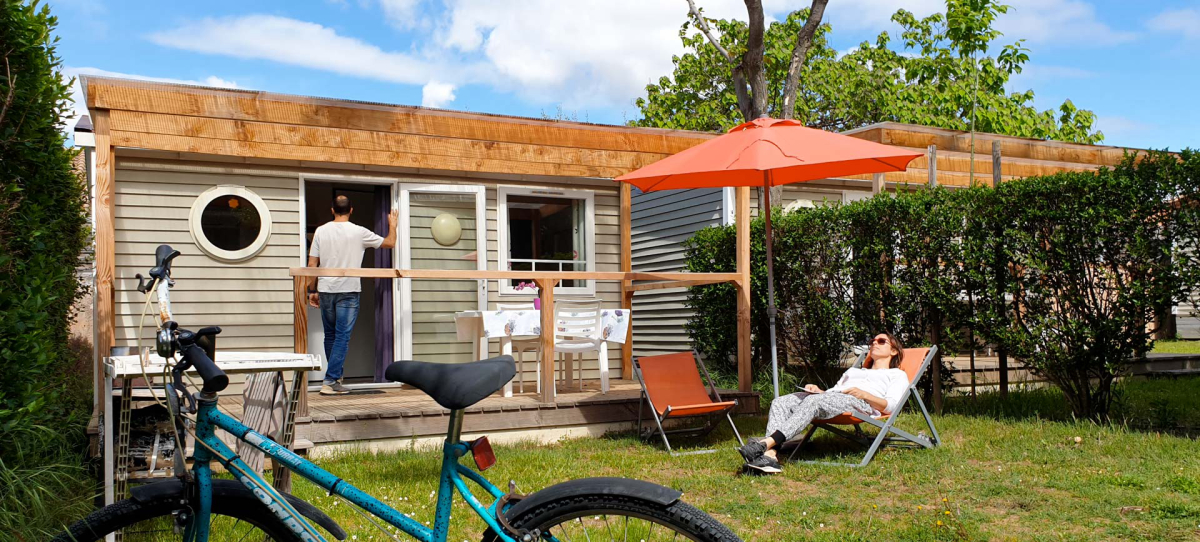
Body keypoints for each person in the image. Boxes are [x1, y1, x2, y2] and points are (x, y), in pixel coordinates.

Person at [737, 333, 909, 474]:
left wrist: (864, 394)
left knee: (813, 401)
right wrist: (819, 391)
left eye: (881, 341)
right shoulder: (853, 371)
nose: (874, 343)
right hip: (833, 399)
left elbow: (892, 406)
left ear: (894, 351)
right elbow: (833, 392)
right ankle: (770, 455)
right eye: (872, 341)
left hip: (861, 403)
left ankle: (764, 444)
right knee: (780, 402)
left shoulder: (897, 375)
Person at [307, 194, 398, 396]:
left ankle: (335, 378)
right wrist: (393, 225)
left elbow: (312, 264)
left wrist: (312, 290)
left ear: (332, 210)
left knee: (331, 335)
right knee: (342, 336)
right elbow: (390, 243)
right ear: (351, 210)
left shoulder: (321, 230)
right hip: (348, 290)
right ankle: (331, 381)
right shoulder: (359, 231)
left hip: (326, 289)